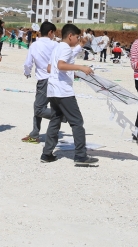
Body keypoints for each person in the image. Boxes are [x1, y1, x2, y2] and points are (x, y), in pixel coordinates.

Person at [40, 24, 99, 167]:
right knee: (77, 122)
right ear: (70, 36)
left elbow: (50, 67)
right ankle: (80, 155)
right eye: (77, 37)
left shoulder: (58, 47)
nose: (78, 39)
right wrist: (81, 67)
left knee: (55, 120)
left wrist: (79, 47)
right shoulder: (65, 48)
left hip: (53, 90)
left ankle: (47, 153)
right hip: (63, 92)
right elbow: (61, 65)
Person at [21, 21, 58, 144]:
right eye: (54, 33)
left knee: (38, 109)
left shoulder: (34, 45)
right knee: (40, 105)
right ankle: (35, 134)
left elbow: (27, 63)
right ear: (50, 32)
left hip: (43, 80)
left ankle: (62, 115)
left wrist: (27, 72)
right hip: (56, 79)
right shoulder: (55, 45)